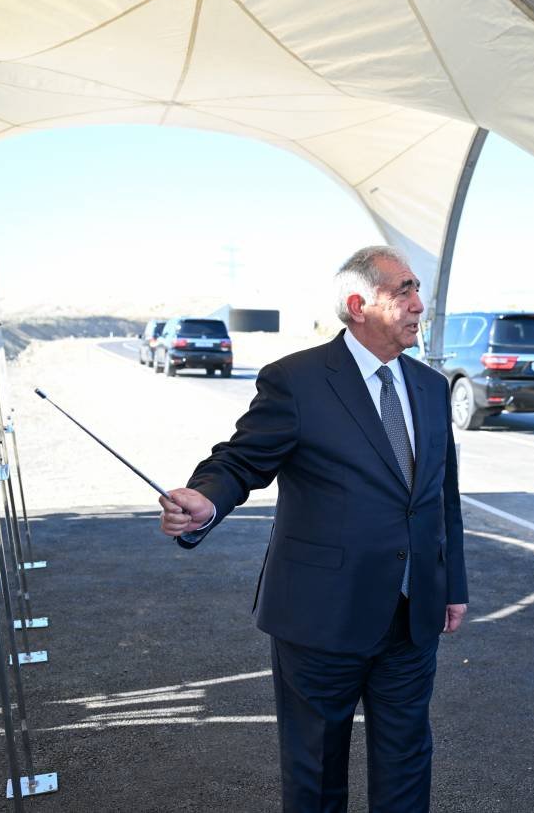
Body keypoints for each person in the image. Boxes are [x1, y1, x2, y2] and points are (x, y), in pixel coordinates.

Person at [158, 245, 468, 813]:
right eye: (403, 291)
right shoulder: (296, 380)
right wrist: (206, 499)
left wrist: (452, 586)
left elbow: (441, 496)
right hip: (322, 615)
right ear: (357, 304)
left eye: (418, 290)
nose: (418, 305)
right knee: (317, 774)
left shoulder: (429, 386)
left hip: (412, 611)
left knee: (407, 763)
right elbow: (241, 460)